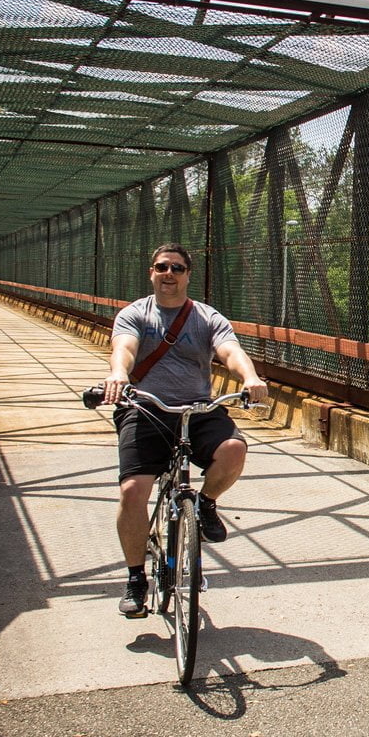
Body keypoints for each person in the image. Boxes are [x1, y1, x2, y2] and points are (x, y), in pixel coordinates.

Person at [101, 243, 268, 617]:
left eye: (177, 268)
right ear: (152, 272)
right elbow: (124, 349)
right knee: (133, 490)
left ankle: (206, 503)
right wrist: (118, 374)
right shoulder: (134, 314)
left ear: (188, 275)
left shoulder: (207, 317)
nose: (169, 274)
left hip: (197, 408)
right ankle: (134, 578)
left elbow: (230, 350)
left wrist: (250, 376)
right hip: (146, 407)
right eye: (162, 267)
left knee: (234, 449)